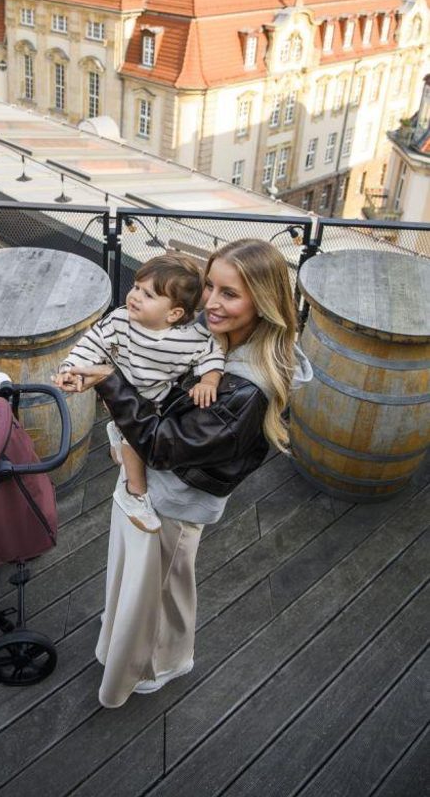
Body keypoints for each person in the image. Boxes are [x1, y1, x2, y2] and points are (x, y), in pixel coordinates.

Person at [61, 238, 312, 709]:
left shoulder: (244, 389)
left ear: (262, 301)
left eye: (229, 294)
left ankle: (149, 669)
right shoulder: (220, 338)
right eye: (210, 286)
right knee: (157, 584)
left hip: (173, 498)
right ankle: (149, 648)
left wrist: (110, 382)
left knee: (156, 591)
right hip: (163, 488)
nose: (209, 303)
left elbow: (162, 446)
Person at [54, 254, 226, 532]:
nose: (134, 296)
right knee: (135, 444)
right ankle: (134, 493)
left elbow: (212, 354)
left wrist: (209, 380)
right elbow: (92, 343)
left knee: (141, 433)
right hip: (120, 392)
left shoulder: (191, 338)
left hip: (153, 400)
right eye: (136, 287)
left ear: (174, 314)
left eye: (148, 294)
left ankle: (117, 430)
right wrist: (70, 368)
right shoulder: (120, 320)